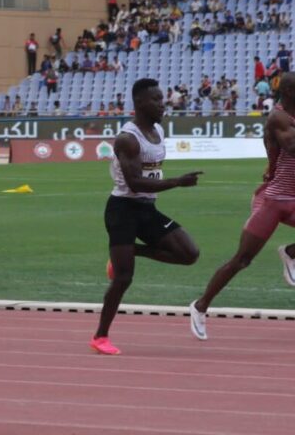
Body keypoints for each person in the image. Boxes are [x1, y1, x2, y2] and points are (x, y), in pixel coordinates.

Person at [91, 78, 202, 355]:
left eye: (162, 99)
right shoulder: (128, 139)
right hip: (122, 210)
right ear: (139, 102)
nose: (163, 104)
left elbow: (148, 180)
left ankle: (133, 251)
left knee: (189, 253)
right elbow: (135, 183)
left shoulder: (158, 131)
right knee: (123, 278)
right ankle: (100, 337)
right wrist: (177, 182)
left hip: (147, 209)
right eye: (156, 100)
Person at [190, 73, 295, 340]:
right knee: (242, 259)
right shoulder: (279, 117)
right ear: (288, 92)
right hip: (273, 199)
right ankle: (200, 306)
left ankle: (290, 253)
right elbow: (292, 146)